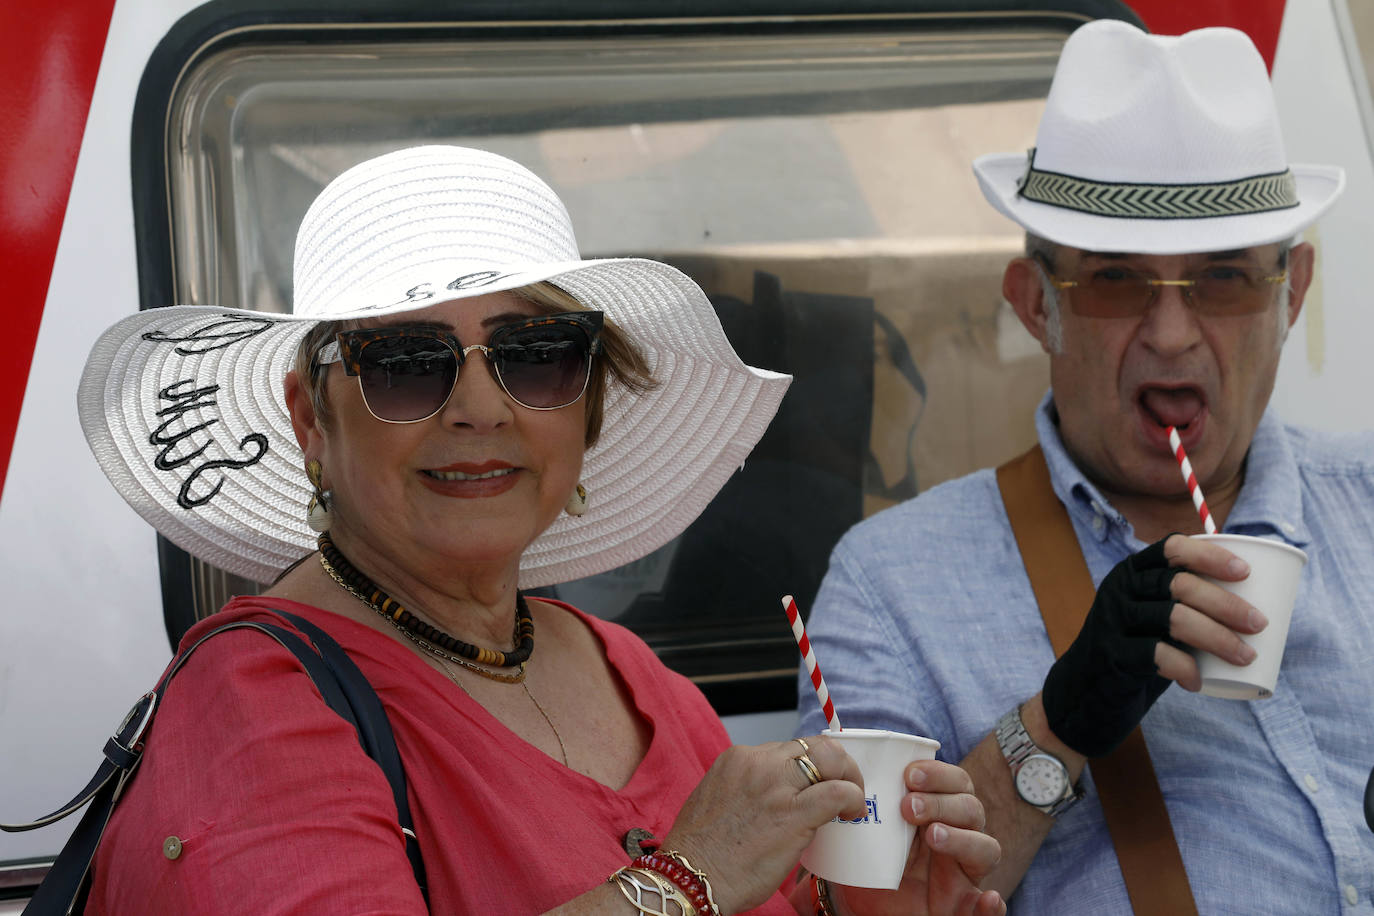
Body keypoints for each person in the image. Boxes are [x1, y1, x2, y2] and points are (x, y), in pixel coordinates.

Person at [65, 145, 1004, 914]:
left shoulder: (632, 675)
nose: (479, 407)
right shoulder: (255, 705)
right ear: (313, 418)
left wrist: (852, 909)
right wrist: (682, 881)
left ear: (586, 404)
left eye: (536, 355)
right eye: (405, 363)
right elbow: (697, 883)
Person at [798, 20, 1374, 913]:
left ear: (1293, 292)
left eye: (1224, 279)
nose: (1173, 333)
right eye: (1114, 281)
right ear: (1035, 306)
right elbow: (865, 904)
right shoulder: (892, 584)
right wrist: (1056, 725)